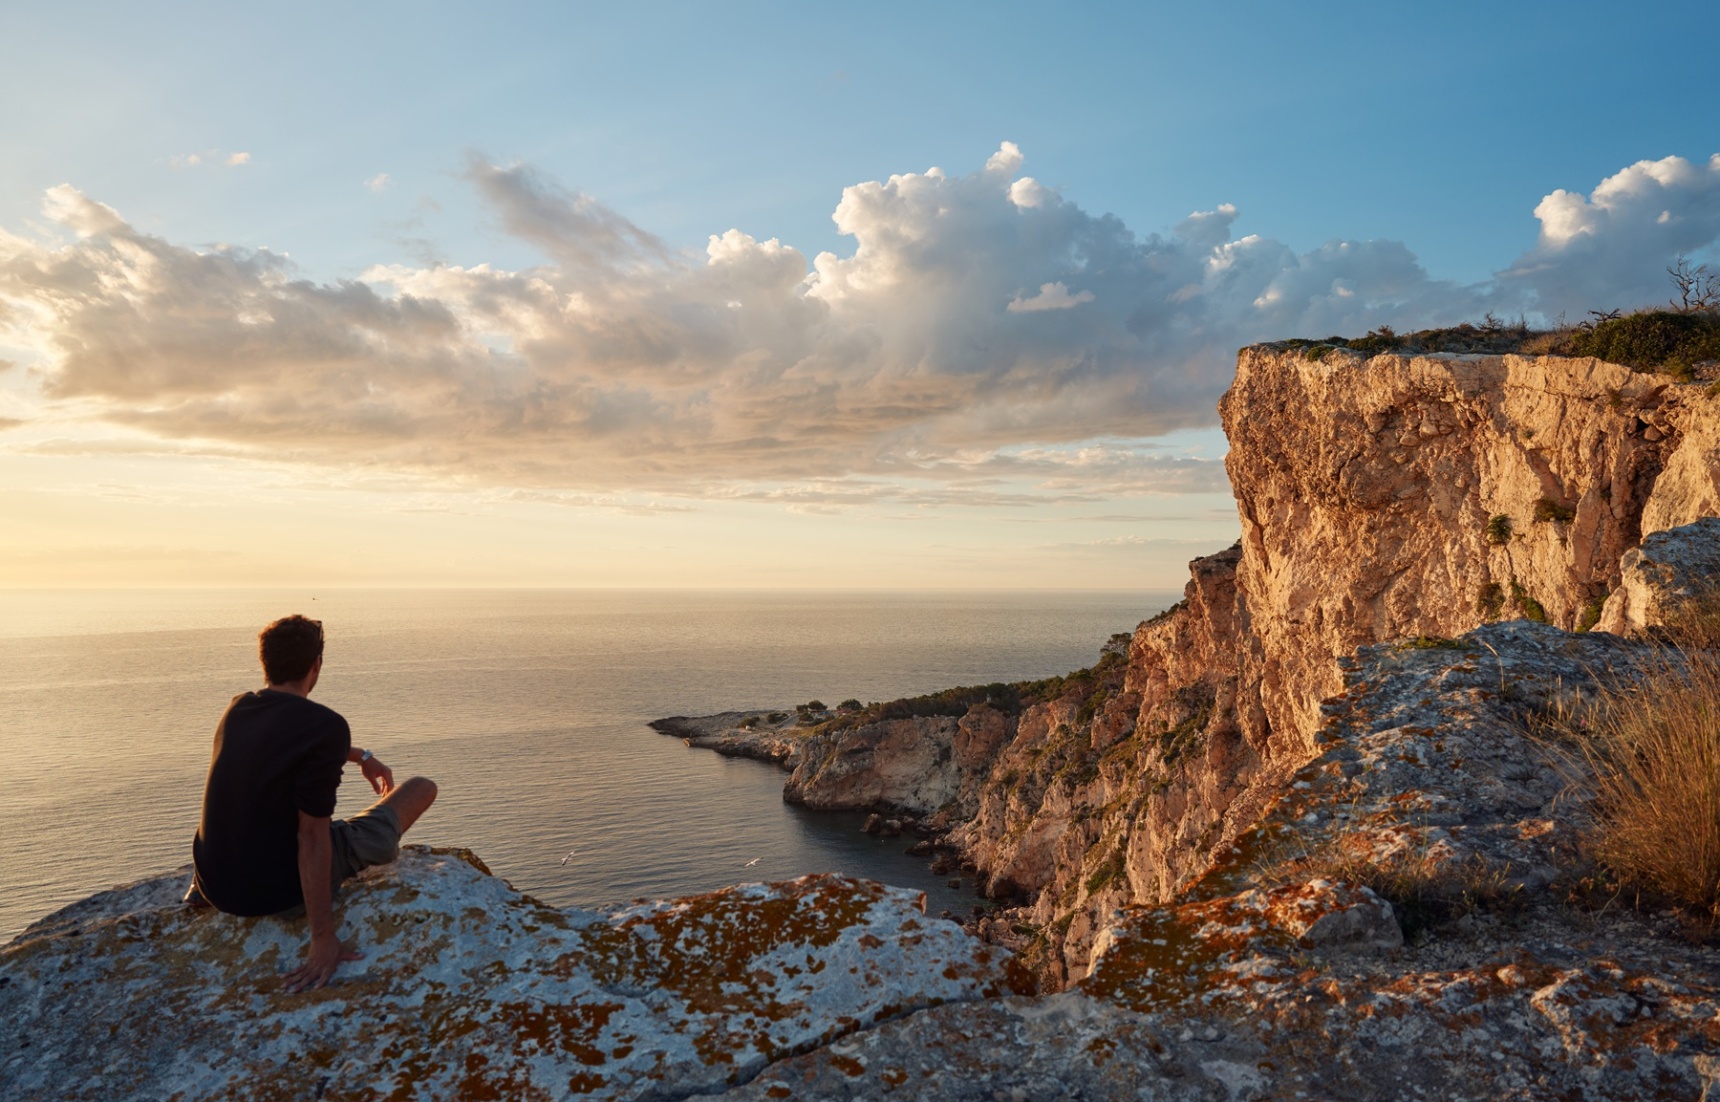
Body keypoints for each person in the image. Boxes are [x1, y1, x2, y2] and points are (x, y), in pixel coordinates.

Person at [190, 614, 438, 992]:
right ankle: (370, 840)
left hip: (214, 886)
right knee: (421, 787)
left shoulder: (237, 709)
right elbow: (311, 837)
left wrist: (359, 755)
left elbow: (275, 753)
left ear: (265, 663)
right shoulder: (326, 725)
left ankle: (197, 884)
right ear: (315, 666)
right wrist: (322, 938)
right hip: (276, 892)